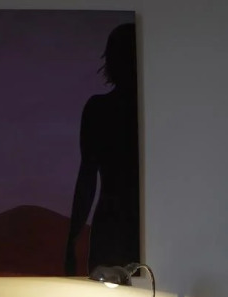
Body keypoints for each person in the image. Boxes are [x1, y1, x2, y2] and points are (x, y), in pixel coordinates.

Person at [65, 23, 140, 275]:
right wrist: (72, 239)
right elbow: (86, 178)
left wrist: (72, 239)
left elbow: (86, 179)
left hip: (112, 221)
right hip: (118, 223)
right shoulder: (101, 109)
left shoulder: (99, 109)